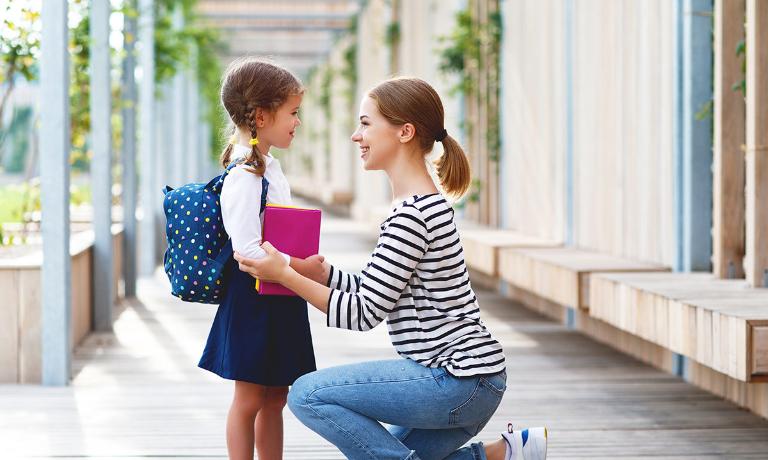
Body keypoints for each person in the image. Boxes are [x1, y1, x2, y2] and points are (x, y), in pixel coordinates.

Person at [234, 77, 547, 460]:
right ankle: (506, 453)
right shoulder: (420, 206)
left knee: (307, 394)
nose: (356, 136)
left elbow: (363, 314)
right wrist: (324, 274)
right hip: (473, 381)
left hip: (456, 380)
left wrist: (285, 276)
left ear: (405, 131)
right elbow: (379, 288)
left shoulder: (412, 215)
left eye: (365, 124)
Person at [197, 57, 324, 460]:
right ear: (262, 116)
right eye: (293, 112)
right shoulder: (245, 176)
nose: (297, 122)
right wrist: (300, 268)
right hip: (254, 297)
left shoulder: (268, 168)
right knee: (249, 396)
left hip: (279, 293)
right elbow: (246, 249)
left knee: (276, 396)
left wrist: (294, 267)